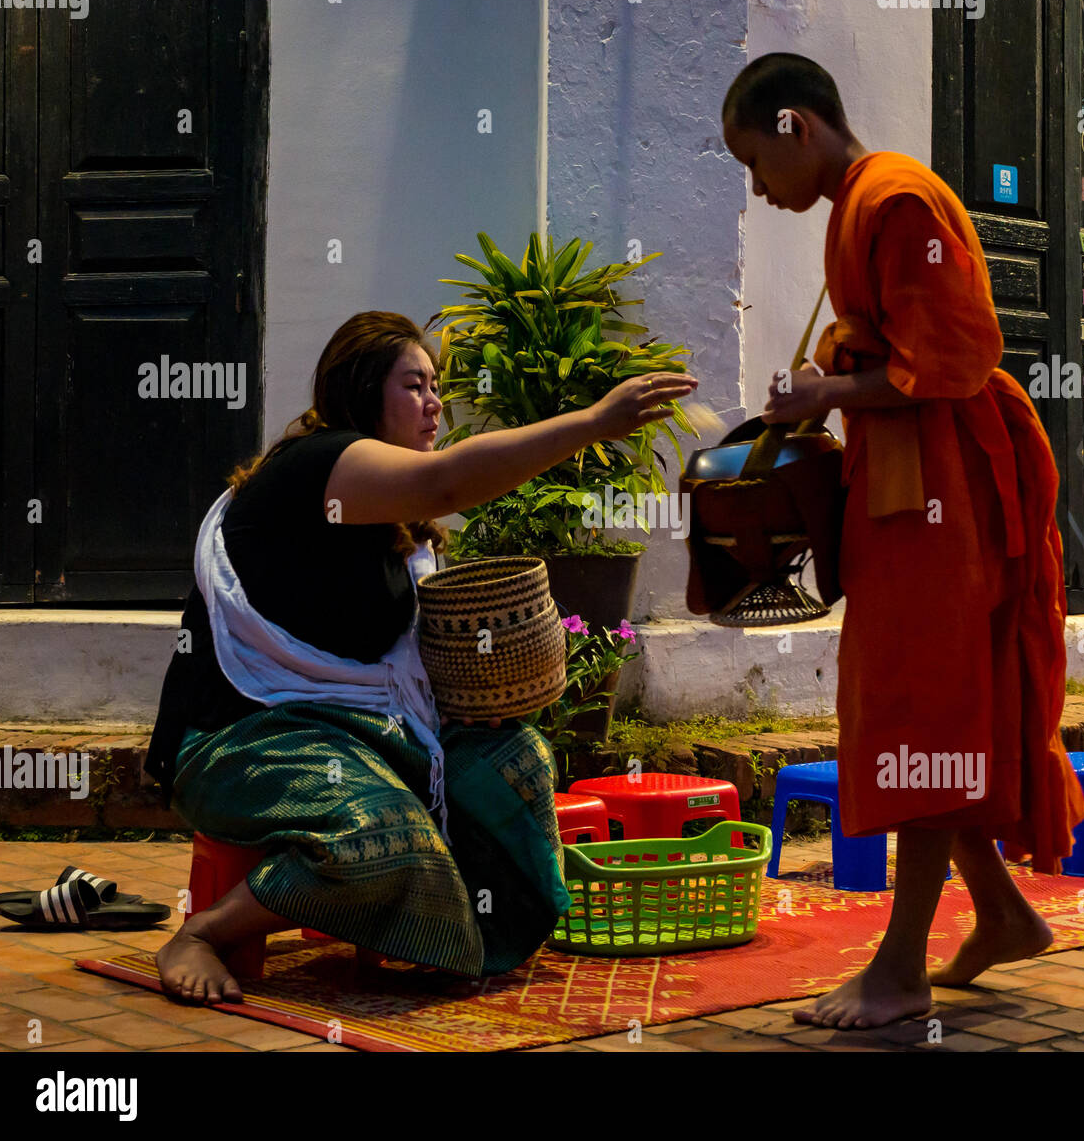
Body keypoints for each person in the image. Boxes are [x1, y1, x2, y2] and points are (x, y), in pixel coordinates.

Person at [146, 310, 696, 1005]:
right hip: (241, 739)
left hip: (359, 734)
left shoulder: (398, 527)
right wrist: (591, 423)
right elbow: (447, 481)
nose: (435, 403)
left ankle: (458, 937)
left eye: (436, 385)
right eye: (415, 385)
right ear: (362, 389)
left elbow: (412, 657)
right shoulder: (314, 469)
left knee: (514, 761)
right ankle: (203, 934)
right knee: (379, 833)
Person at [721, 53, 1084, 1030]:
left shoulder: (894, 203)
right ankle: (1001, 913)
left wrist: (824, 392)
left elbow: (958, 363)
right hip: (903, 484)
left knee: (925, 713)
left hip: (941, 490)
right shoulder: (858, 206)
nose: (758, 189)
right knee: (922, 709)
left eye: (757, 164)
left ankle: (899, 970)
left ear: (797, 125)